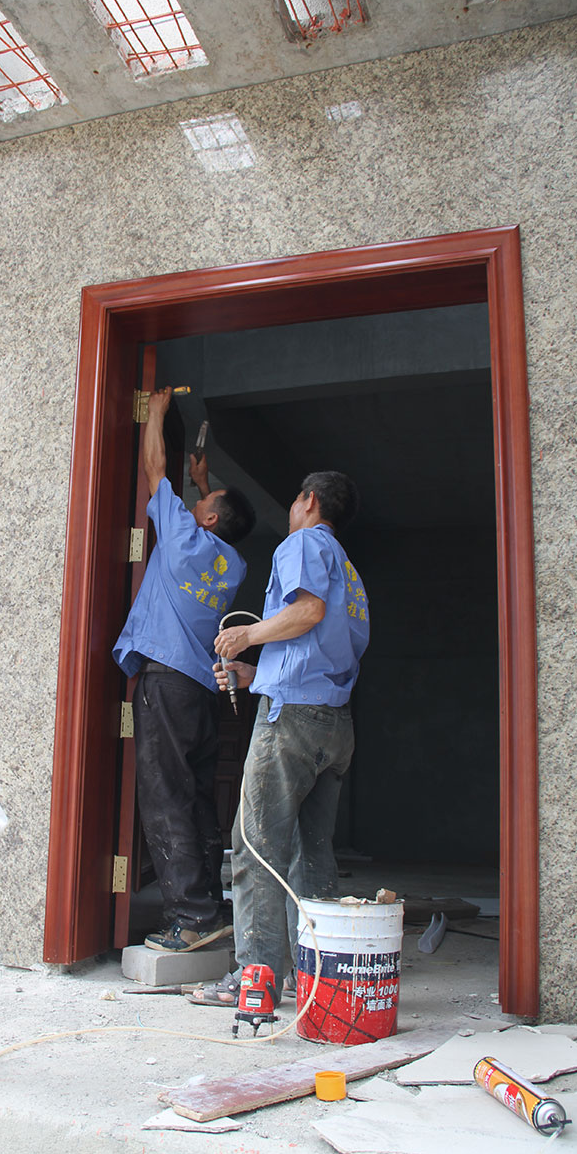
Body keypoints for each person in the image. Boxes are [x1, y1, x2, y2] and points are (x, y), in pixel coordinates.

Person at [189, 470, 368, 1007]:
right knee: (310, 856)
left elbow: (307, 611)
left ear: (308, 501)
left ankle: (255, 979)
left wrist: (248, 633)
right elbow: (319, 638)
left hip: (291, 721)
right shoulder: (347, 567)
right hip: (333, 722)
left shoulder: (304, 543)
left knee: (256, 848)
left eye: (294, 498)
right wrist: (255, 673)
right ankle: (316, 979)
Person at [113, 387, 256, 953]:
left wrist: (154, 412)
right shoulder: (232, 562)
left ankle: (190, 919)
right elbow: (211, 517)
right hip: (200, 689)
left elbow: (154, 470)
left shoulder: (179, 537)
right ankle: (211, 908)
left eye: (204, 502)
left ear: (209, 518)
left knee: (164, 793)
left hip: (165, 681)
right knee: (194, 797)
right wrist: (203, 483)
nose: (196, 504)